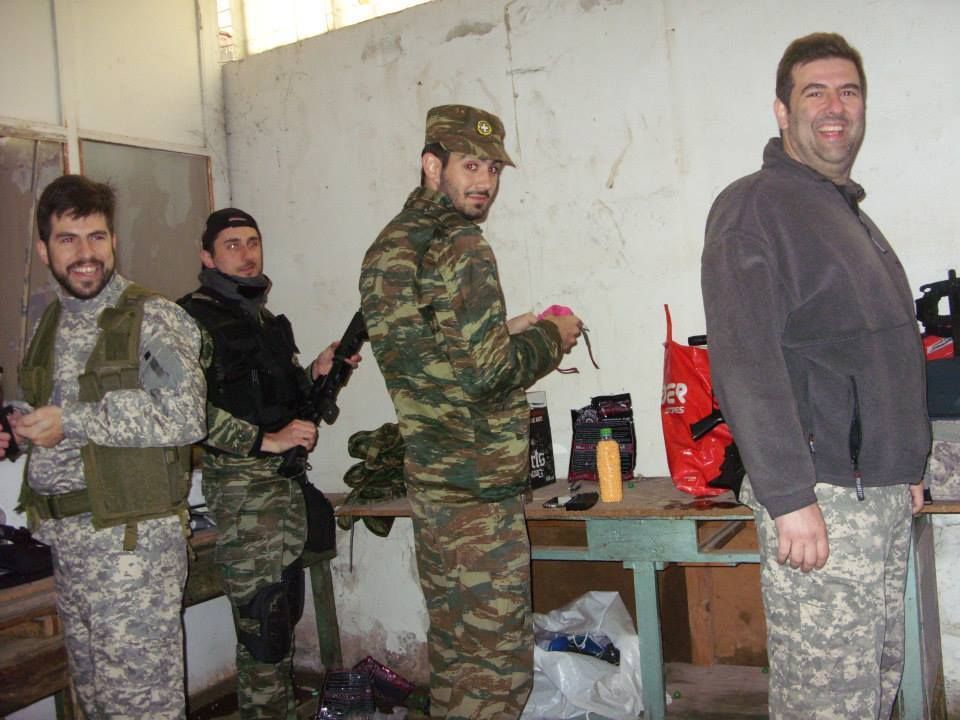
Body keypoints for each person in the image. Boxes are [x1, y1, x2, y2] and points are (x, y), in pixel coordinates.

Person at [701, 33, 930, 719]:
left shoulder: (842, 210)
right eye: (816, 92)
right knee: (825, 704)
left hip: (874, 495)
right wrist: (788, 496)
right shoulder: (756, 207)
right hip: (822, 501)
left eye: (849, 92)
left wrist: (904, 463)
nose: (836, 107)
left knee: (874, 691)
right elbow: (745, 360)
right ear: (782, 111)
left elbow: (873, 354)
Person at [359, 104, 583, 719]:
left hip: (433, 488)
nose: (484, 181)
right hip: (479, 495)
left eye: (492, 169)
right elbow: (487, 375)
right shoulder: (462, 245)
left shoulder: (390, 246)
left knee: (456, 660)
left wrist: (507, 331)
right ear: (433, 165)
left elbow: (431, 356)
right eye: (470, 166)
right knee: (497, 675)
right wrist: (553, 336)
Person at [0, 174, 206, 717]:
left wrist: (71, 421)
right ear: (44, 249)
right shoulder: (52, 322)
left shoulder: (151, 317)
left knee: (141, 708)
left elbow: (186, 415)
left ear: (113, 241)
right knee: (95, 703)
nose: (86, 254)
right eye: (68, 239)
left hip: (131, 550)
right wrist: (18, 429)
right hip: (70, 548)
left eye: (97, 237)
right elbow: (54, 414)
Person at [178, 207, 358, 720]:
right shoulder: (188, 319)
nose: (246, 253)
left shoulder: (263, 320)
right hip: (243, 489)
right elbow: (183, 412)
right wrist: (264, 440)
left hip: (284, 488)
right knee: (264, 630)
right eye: (232, 244)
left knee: (282, 618)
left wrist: (319, 372)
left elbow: (281, 399)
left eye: (252, 242)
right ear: (207, 256)